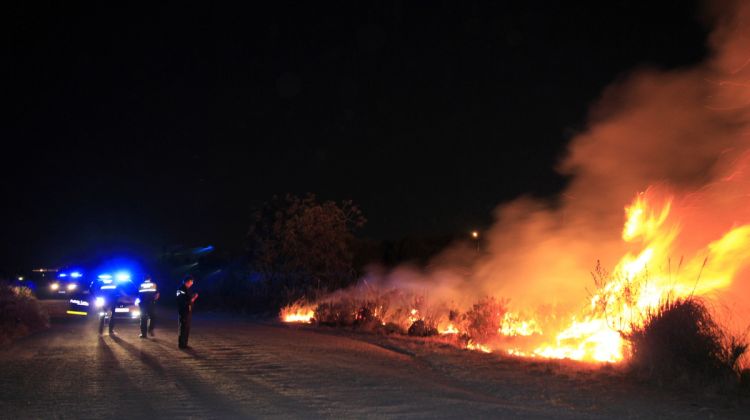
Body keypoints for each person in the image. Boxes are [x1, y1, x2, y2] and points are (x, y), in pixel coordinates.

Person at [176, 275, 198, 349]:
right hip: (183, 311)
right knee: (183, 327)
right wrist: (193, 298)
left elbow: (188, 297)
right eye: (191, 282)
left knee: (187, 328)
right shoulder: (181, 289)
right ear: (187, 281)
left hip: (188, 311)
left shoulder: (187, 289)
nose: (192, 283)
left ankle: (185, 344)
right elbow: (181, 300)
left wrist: (192, 297)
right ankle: (181, 344)